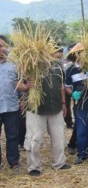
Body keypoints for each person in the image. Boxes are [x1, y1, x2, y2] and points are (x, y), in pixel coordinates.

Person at [24, 43, 71, 176]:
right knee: (34, 138)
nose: (58, 52)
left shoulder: (57, 66)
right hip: (35, 108)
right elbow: (19, 83)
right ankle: (34, 166)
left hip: (56, 106)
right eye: (54, 49)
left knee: (59, 137)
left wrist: (63, 103)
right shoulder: (31, 63)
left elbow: (61, 85)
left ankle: (59, 162)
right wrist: (26, 85)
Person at [65, 43, 88, 165]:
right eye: (81, 53)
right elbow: (68, 87)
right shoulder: (70, 69)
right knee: (81, 129)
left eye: (86, 52)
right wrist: (72, 94)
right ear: (76, 55)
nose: (83, 55)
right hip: (81, 104)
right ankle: (81, 154)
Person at [0, 35, 32, 170]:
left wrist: (25, 90)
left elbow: (19, 84)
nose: (1, 49)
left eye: (2, 46)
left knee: (12, 136)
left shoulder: (15, 64)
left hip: (11, 106)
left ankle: (13, 162)